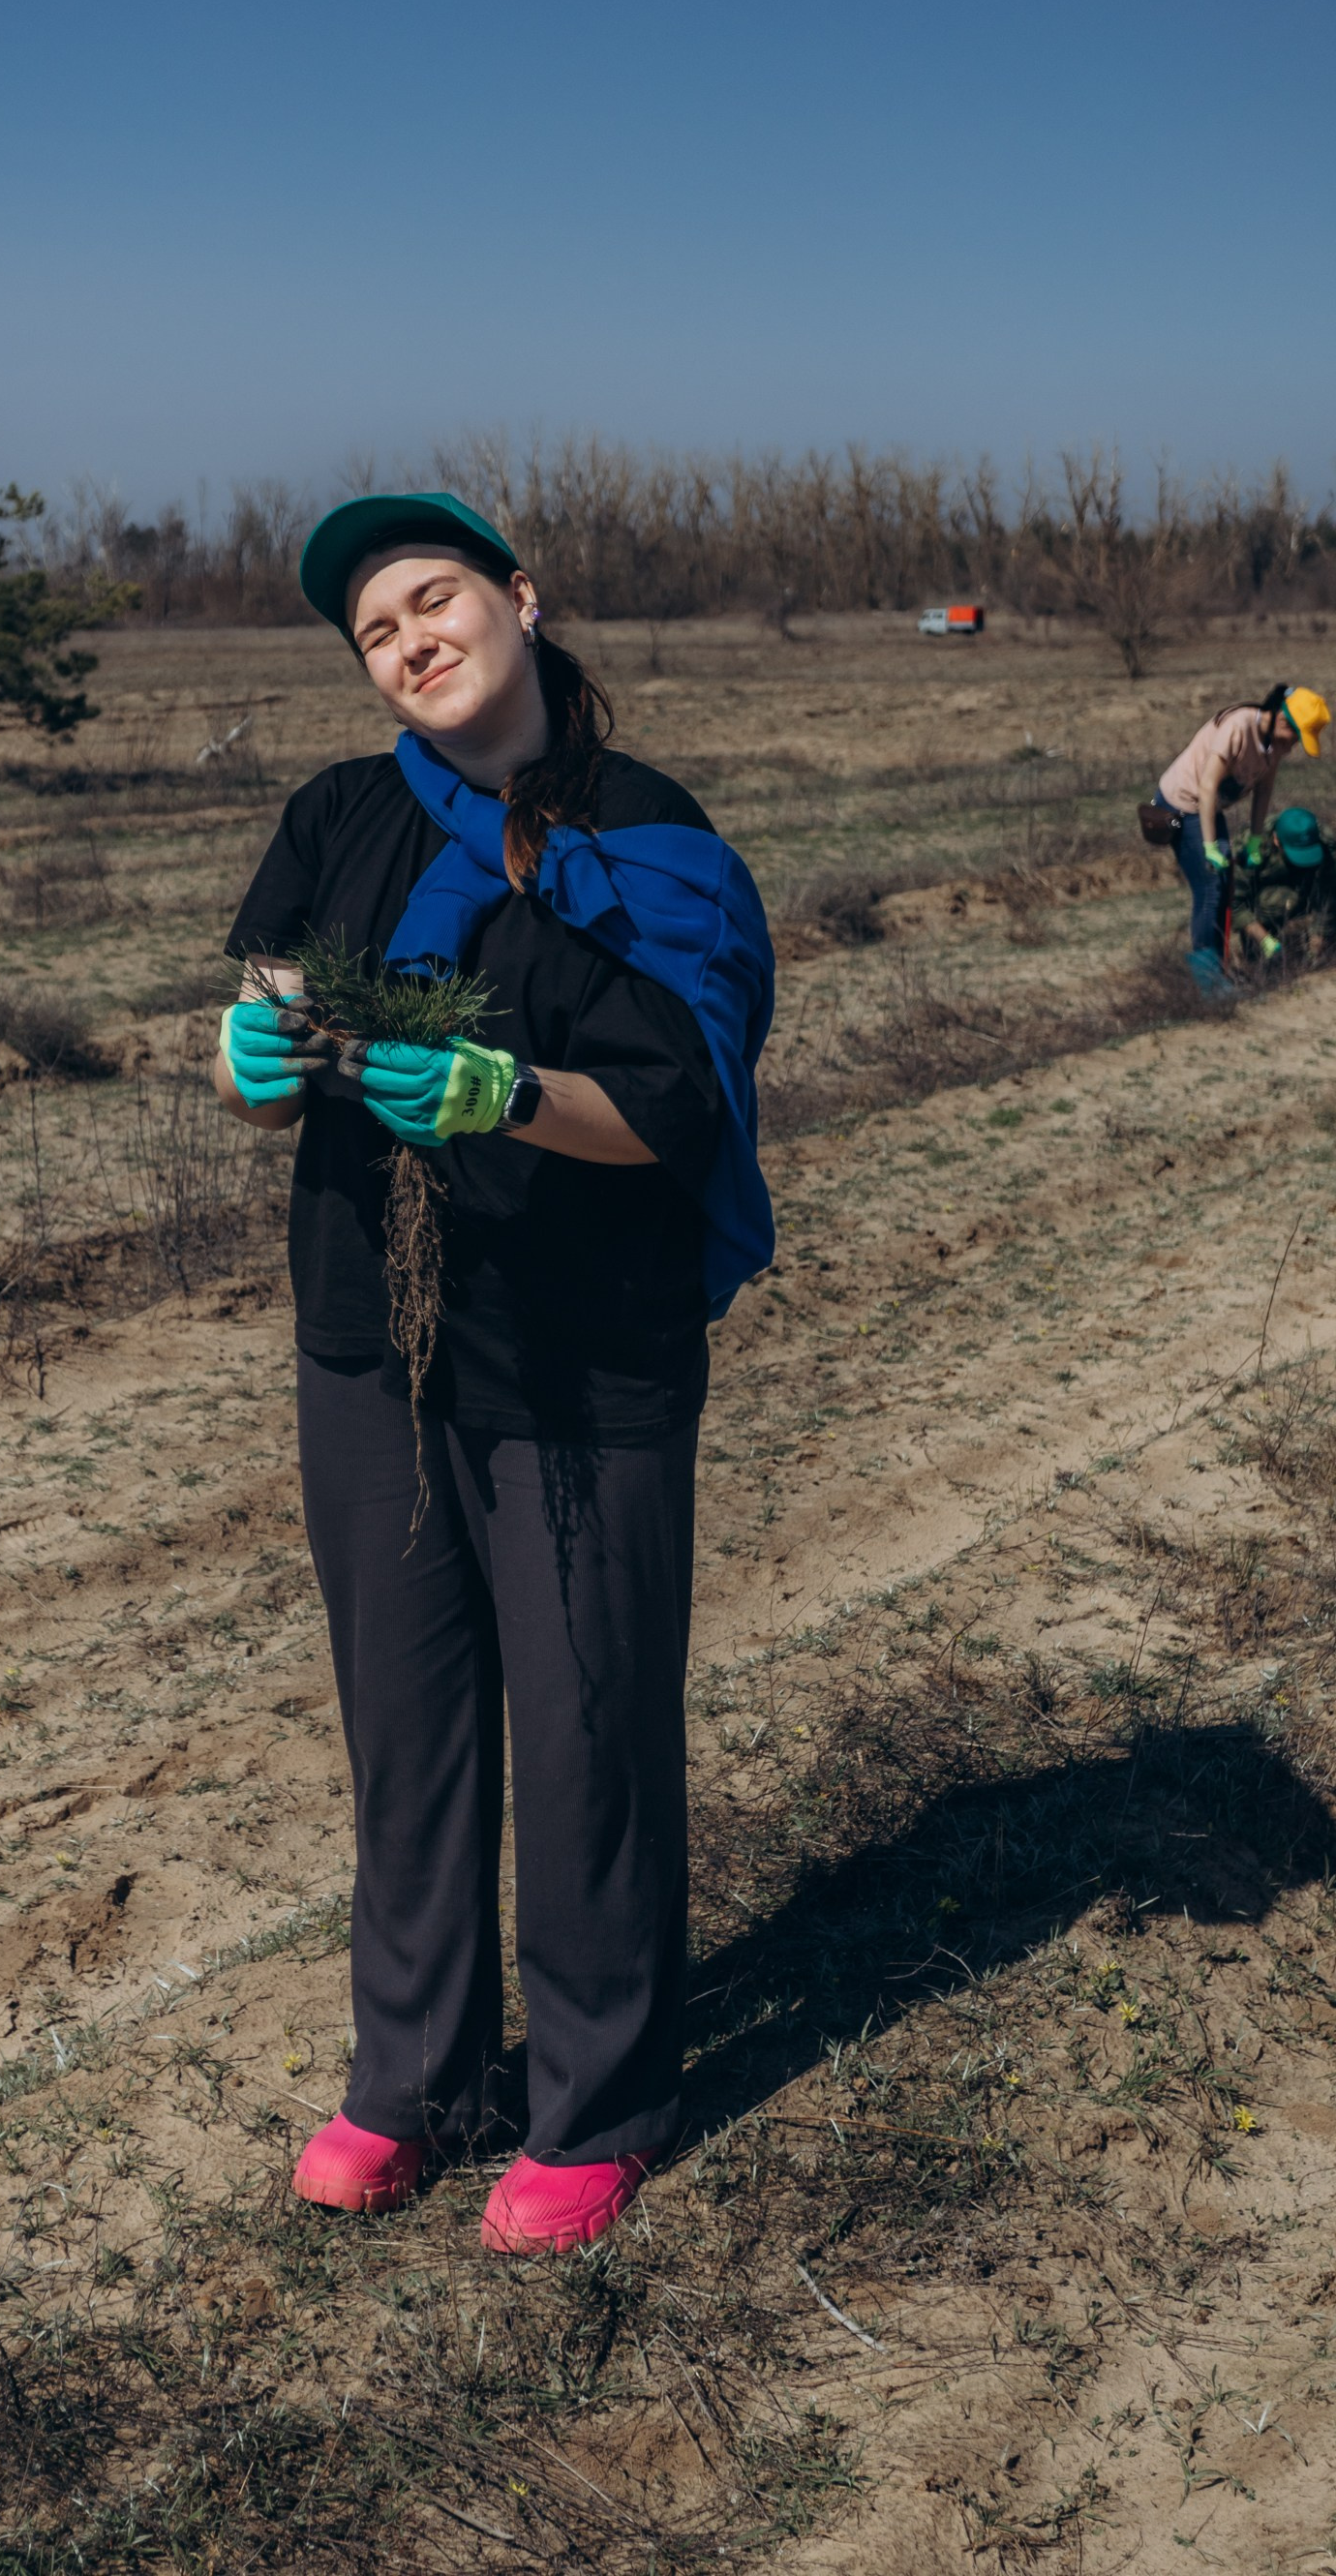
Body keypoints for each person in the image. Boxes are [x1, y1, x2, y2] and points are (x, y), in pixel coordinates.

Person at [213, 490, 774, 2258]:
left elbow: (676, 1112)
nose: (411, 643)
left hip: (581, 1354)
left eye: (433, 599)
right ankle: (414, 2082)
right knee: (408, 1729)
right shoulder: (338, 817)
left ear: (520, 600)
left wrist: (508, 1094)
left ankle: (598, 2103)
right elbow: (266, 1015)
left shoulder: (651, 842)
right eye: (376, 632)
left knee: (589, 1729)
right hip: (370, 1341)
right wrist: (244, 1060)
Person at [1151, 684, 1331, 987]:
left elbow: (1264, 791)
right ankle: (1207, 981)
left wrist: (1255, 840)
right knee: (1210, 886)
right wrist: (1210, 846)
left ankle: (1218, 968)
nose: (1294, 746)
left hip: (1208, 808)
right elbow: (1207, 786)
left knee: (1225, 885)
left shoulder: (1273, 745)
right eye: (1296, 738)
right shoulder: (1238, 727)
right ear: (1282, 721)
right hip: (1182, 804)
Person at [1231, 804, 1336, 962]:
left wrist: (1318, 942)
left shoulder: (1326, 841)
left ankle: (1320, 946)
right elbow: (1235, 903)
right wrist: (1266, 941)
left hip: (1305, 884)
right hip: (1265, 895)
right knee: (1281, 901)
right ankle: (1257, 950)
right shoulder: (1251, 846)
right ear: (1276, 840)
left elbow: (1330, 892)